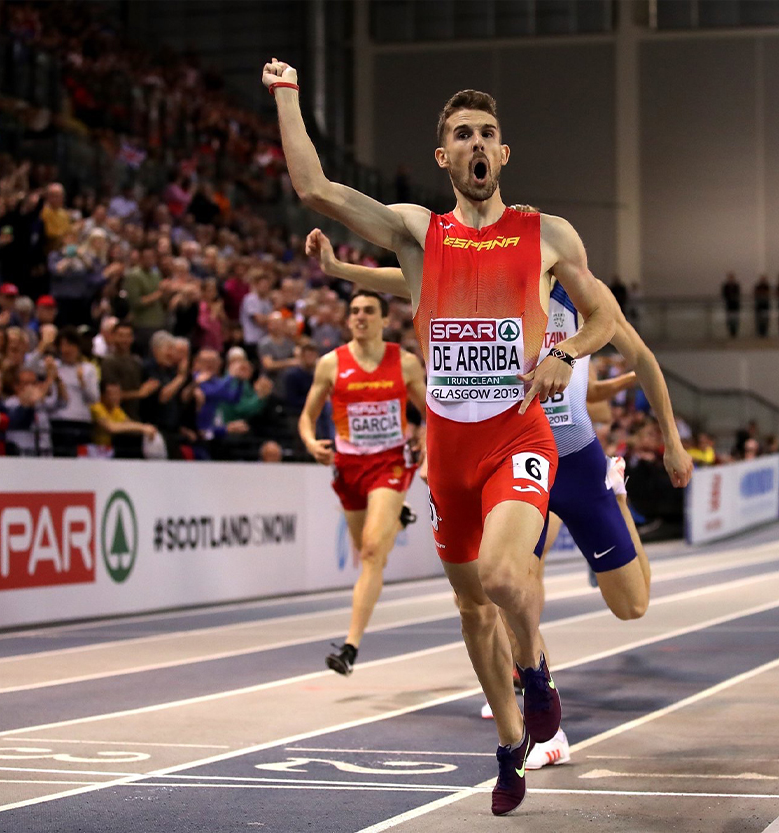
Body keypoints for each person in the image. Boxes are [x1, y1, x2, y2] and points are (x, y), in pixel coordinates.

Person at [266, 61, 616, 815]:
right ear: (444, 156)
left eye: (488, 133)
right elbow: (315, 189)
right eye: (463, 134)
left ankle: (535, 672)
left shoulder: (547, 234)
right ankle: (510, 741)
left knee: (502, 576)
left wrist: (565, 352)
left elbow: (604, 316)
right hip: (448, 454)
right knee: (471, 606)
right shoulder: (417, 234)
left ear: (504, 153)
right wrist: (287, 95)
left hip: (517, 435)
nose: (477, 143)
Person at [308, 223, 693, 768]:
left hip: (575, 459)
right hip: (513, 455)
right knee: (512, 582)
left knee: (631, 606)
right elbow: (412, 277)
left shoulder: (585, 297)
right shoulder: (491, 283)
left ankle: (619, 500)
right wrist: (341, 269)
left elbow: (644, 358)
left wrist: (673, 442)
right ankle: (541, 714)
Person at [298, 289, 427, 676]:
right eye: (354, 311)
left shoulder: (404, 363)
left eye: (369, 311)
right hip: (348, 467)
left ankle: (350, 647)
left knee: (371, 552)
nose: (360, 316)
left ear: (385, 320)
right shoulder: (330, 364)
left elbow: (433, 411)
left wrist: (426, 441)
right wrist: (310, 443)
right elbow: (307, 417)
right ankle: (396, 517)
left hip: (389, 463)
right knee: (370, 551)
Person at [722, 272, 741, 338]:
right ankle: (730, 331)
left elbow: (738, 294)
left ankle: (734, 331)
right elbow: (724, 294)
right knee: (730, 319)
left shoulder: (736, 286)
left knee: (735, 319)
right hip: (729, 305)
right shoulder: (726, 286)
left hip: (735, 305)